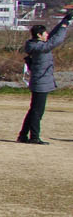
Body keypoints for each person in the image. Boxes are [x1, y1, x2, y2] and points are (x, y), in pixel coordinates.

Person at [18, 10, 73, 145]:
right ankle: (34, 137)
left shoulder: (37, 44)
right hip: (40, 82)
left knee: (33, 110)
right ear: (39, 35)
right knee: (37, 112)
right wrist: (65, 27)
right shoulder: (40, 47)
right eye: (44, 33)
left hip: (40, 81)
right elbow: (56, 40)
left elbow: (52, 36)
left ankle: (23, 135)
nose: (47, 35)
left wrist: (64, 21)